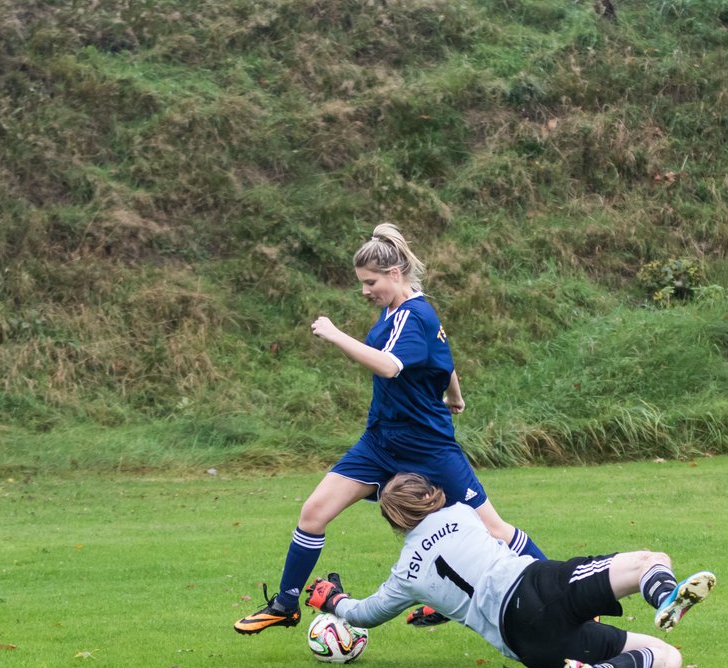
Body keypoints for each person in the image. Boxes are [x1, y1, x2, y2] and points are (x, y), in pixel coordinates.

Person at [234, 224, 547, 635]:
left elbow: (389, 365)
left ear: (396, 273)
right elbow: (444, 357)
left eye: (371, 282)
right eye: (361, 283)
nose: (365, 290)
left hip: (427, 449)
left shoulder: (414, 316)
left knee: (493, 528)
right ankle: (286, 603)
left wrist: (334, 334)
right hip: (380, 443)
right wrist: (454, 394)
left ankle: (563, 591)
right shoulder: (396, 312)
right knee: (313, 513)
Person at [303, 473, 716, 668]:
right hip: (537, 587)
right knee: (652, 560)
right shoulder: (460, 512)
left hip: (527, 645)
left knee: (666, 656)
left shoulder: (405, 575)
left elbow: (367, 614)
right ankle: (664, 595)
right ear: (431, 495)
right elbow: (488, 543)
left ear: (394, 522)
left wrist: (332, 599)